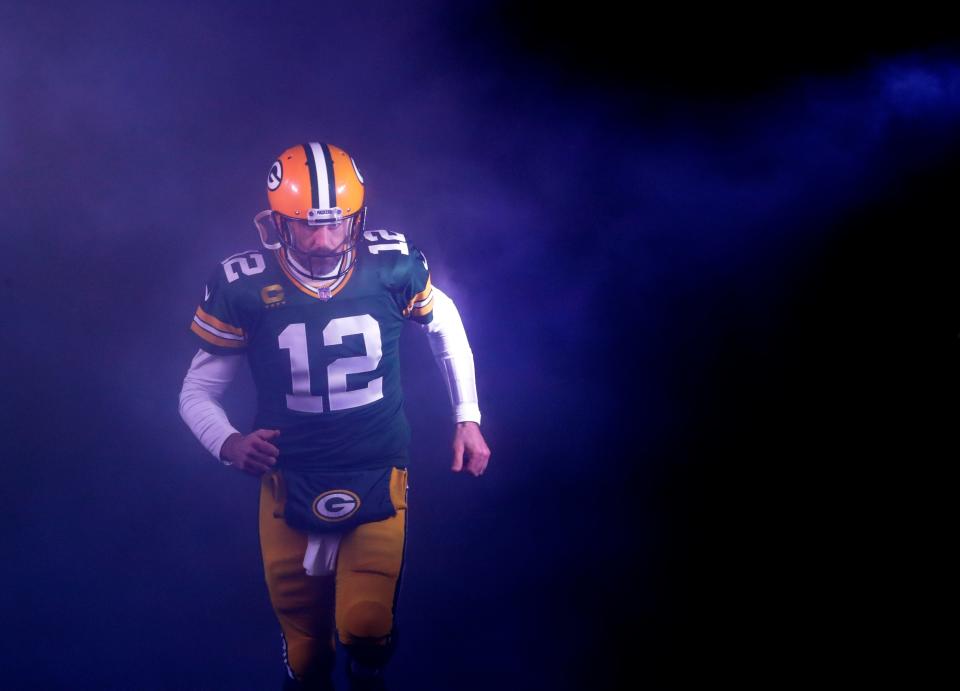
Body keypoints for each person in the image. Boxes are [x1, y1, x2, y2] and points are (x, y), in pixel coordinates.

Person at [178, 142, 490, 690]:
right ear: (277, 223)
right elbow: (196, 391)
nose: (323, 241)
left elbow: (446, 322)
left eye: (336, 225)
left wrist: (468, 415)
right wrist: (228, 442)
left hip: (376, 465)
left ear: (358, 219)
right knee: (306, 658)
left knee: (366, 625)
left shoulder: (392, 265)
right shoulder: (244, 286)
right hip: (288, 477)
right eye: (306, 227)